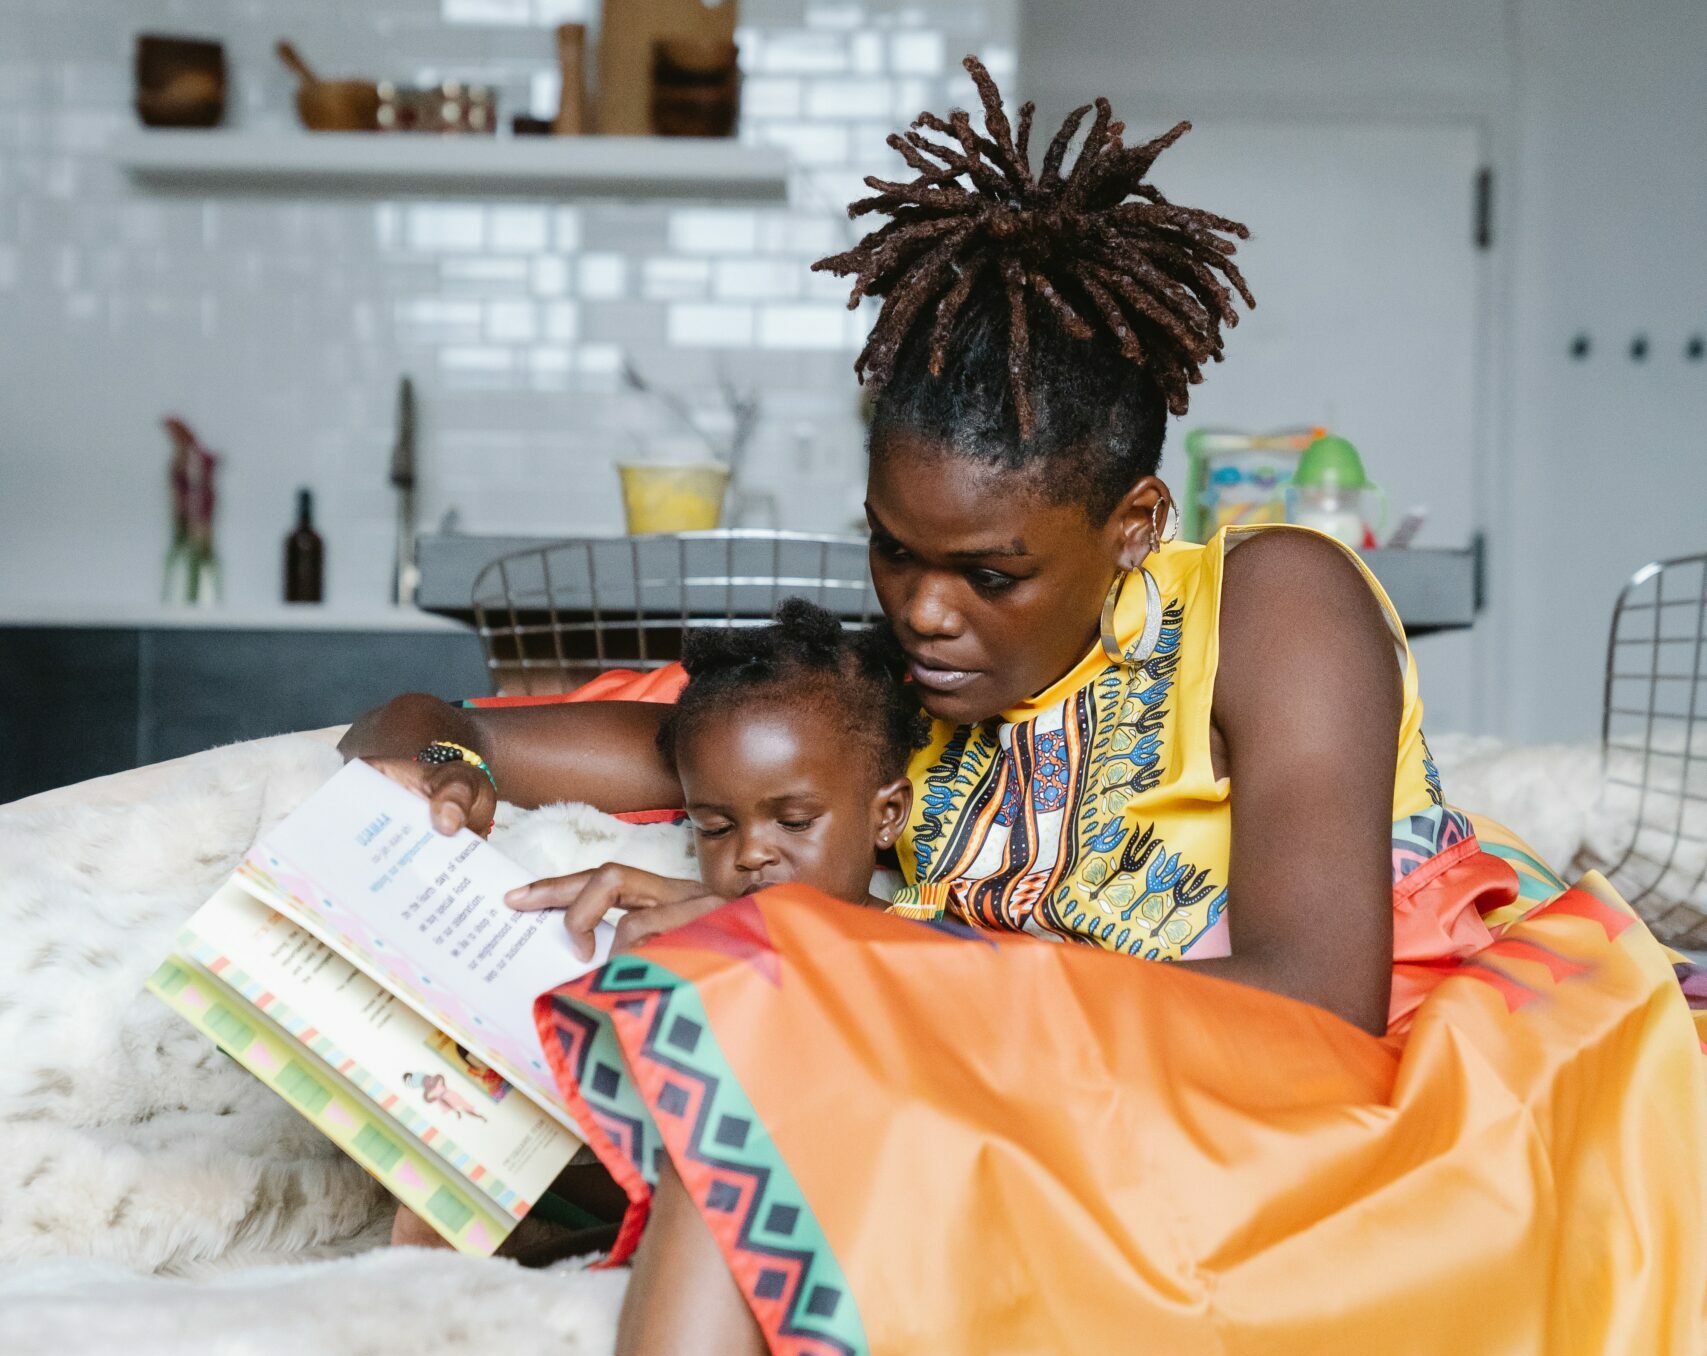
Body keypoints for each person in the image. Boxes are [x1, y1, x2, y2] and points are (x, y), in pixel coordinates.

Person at [344, 56, 1706, 1356]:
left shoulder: (1274, 607)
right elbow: (445, 726)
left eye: (992, 572)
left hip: (1354, 1139)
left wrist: (839, 959)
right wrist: (436, 761)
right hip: (1047, 1118)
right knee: (722, 1086)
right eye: (894, 550)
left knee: (785, 1051)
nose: (926, 612)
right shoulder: (876, 702)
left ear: (1131, 524)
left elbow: (1316, 1010)